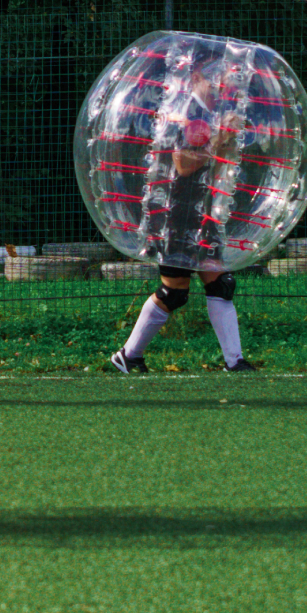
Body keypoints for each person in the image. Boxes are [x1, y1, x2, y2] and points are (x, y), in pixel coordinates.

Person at [111, 54, 256, 374]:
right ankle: (128, 355)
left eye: (220, 75)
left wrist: (228, 139)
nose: (218, 82)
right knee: (174, 293)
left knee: (221, 283)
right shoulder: (187, 112)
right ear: (194, 78)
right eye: (210, 75)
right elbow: (183, 164)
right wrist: (222, 137)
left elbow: (211, 161)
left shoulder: (208, 113)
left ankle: (235, 361)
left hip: (200, 214)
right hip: (175, 216)